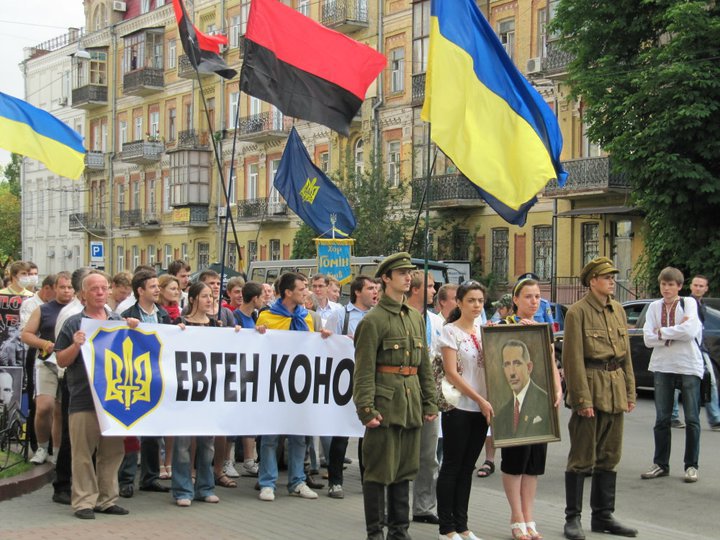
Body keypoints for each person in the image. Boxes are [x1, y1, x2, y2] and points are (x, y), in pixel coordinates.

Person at [353, 252, 438, 540]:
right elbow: (363, 370)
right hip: (384, 406)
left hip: (411, 405)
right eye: (402, 273)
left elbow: (423, 366)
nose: (408, 277)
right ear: (386, 278)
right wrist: (366, 408)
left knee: (404, 471)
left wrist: (430, 401)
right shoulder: (373, 321)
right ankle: (375, 533)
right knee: (378, 472)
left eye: (409, 273)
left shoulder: (415, 318)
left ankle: (400, 532)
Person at [563, 257, 637, 539]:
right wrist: (581, 400)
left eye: (612, 277)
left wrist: (630, 392)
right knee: (581, 458)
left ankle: (603, 516)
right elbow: (572, 360)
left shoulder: (617, 310)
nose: (611, 281)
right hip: (591, 390)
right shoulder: (577, 312)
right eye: (606, 277)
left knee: (609, 456)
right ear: (592, 281)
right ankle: (573, 518)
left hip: (615, 388)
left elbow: (625, 356)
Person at [55, 271, 138, 519]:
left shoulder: (117, 320)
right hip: (84, 398)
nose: (100, 293)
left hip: (113, 399)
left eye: (104, 288)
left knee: (112, 452)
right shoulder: (74, 323)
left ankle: (107, 499)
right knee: (82, 453)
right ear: (83, 294)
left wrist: (134, 329)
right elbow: (61, 360)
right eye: (94, 289)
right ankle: (83, 502)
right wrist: (76, 345)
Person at [494, 277, 562, 540]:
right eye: (528, 297)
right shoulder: (503, 326)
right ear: (515, 299)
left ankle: (529, 517)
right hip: (512, 405)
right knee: (515, 460)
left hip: (539, 402)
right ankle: (516, 516)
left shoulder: (543, 328)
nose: (534, 302)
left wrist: (557, 389)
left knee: (534, 462)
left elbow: (550, 361)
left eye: (537, 297)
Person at [255, 272, 330, 502]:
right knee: (270, 437)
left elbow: (311, 349)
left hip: (299, 385)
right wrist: (257, 334)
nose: (307, 292)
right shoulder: (267, 317)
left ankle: (297, 481)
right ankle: (267, 482)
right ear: (288, 292)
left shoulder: (306, 318)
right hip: (274, 384)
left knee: (299, 436)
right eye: (302, 288)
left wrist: (323, 338)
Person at [436, 280, 493, 540]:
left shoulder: (485, 331)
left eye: (480, 301)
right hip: (459, 407)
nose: (476, 305)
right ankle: (446, 528)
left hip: (482, 409)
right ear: (459, 303)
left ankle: (463, 525)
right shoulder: (450, 331)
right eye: (471, 300)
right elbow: (451, 373)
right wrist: (479, 399)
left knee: (467, 466)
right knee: (452, 466)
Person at [641, 267, 703, 484]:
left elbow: (690, 331)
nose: (666, 289)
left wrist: (661, 332)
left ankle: (691, 465)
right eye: (663, 284)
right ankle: (660, 464)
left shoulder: (689, 303)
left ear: (679, 286)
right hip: (662, 365)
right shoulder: (654, 307)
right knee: (662, 418)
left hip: (688, 365)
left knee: (692, 418)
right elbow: (647, 338)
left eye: (670, 285)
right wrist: (675, 331)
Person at [117, 269, 173, 498]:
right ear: (140, 291)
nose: (158, 290)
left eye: (158, 286)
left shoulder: (164, 316)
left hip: (156, 377)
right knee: (132, 431)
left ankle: (150, 477)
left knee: (153, 431)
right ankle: (126, 479)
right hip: (134, 378)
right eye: (153, 286)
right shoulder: (126, 315)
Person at [322, 275, 378, 499]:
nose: (375, 292)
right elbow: (327, 344)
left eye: (376, 288)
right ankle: (335, 481)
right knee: (341, 433)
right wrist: (334, 338)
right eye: (370, 288)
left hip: (370, 380)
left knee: (368, 433)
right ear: (357, 292)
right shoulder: (340, 315)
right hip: (345, 380)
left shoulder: (377, 316)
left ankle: (368, 480)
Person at [172, 281, 226, 507]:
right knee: (183, 444)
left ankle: (205, 487)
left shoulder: (216, 325)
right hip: (185, 392)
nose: (209, 300)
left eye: (211, 297)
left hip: (208, 392)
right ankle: (182, 489)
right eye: (204, 296)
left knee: (207, 444)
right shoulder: (180, 323)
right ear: (192, 299)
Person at [21, 272, 73, 465]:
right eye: (62, 287)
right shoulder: (43, 310)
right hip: (46, 362)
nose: (66, 291)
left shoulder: (77, 310)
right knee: (44, 407)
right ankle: (42, 447)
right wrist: (44, 343)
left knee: (60, 411)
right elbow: (26, 334)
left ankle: (57, 453)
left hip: (68, 364)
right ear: (54, 288)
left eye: (70, 287)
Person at [405, 270, 443, 525]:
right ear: (416, 289)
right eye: (429, 286)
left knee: (429, 456)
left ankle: (424, 506)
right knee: (398, 454)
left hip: (428, 395)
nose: (434, 291)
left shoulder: (436, 321)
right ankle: (391, 507)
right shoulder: (399, 316)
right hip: (403, 392)